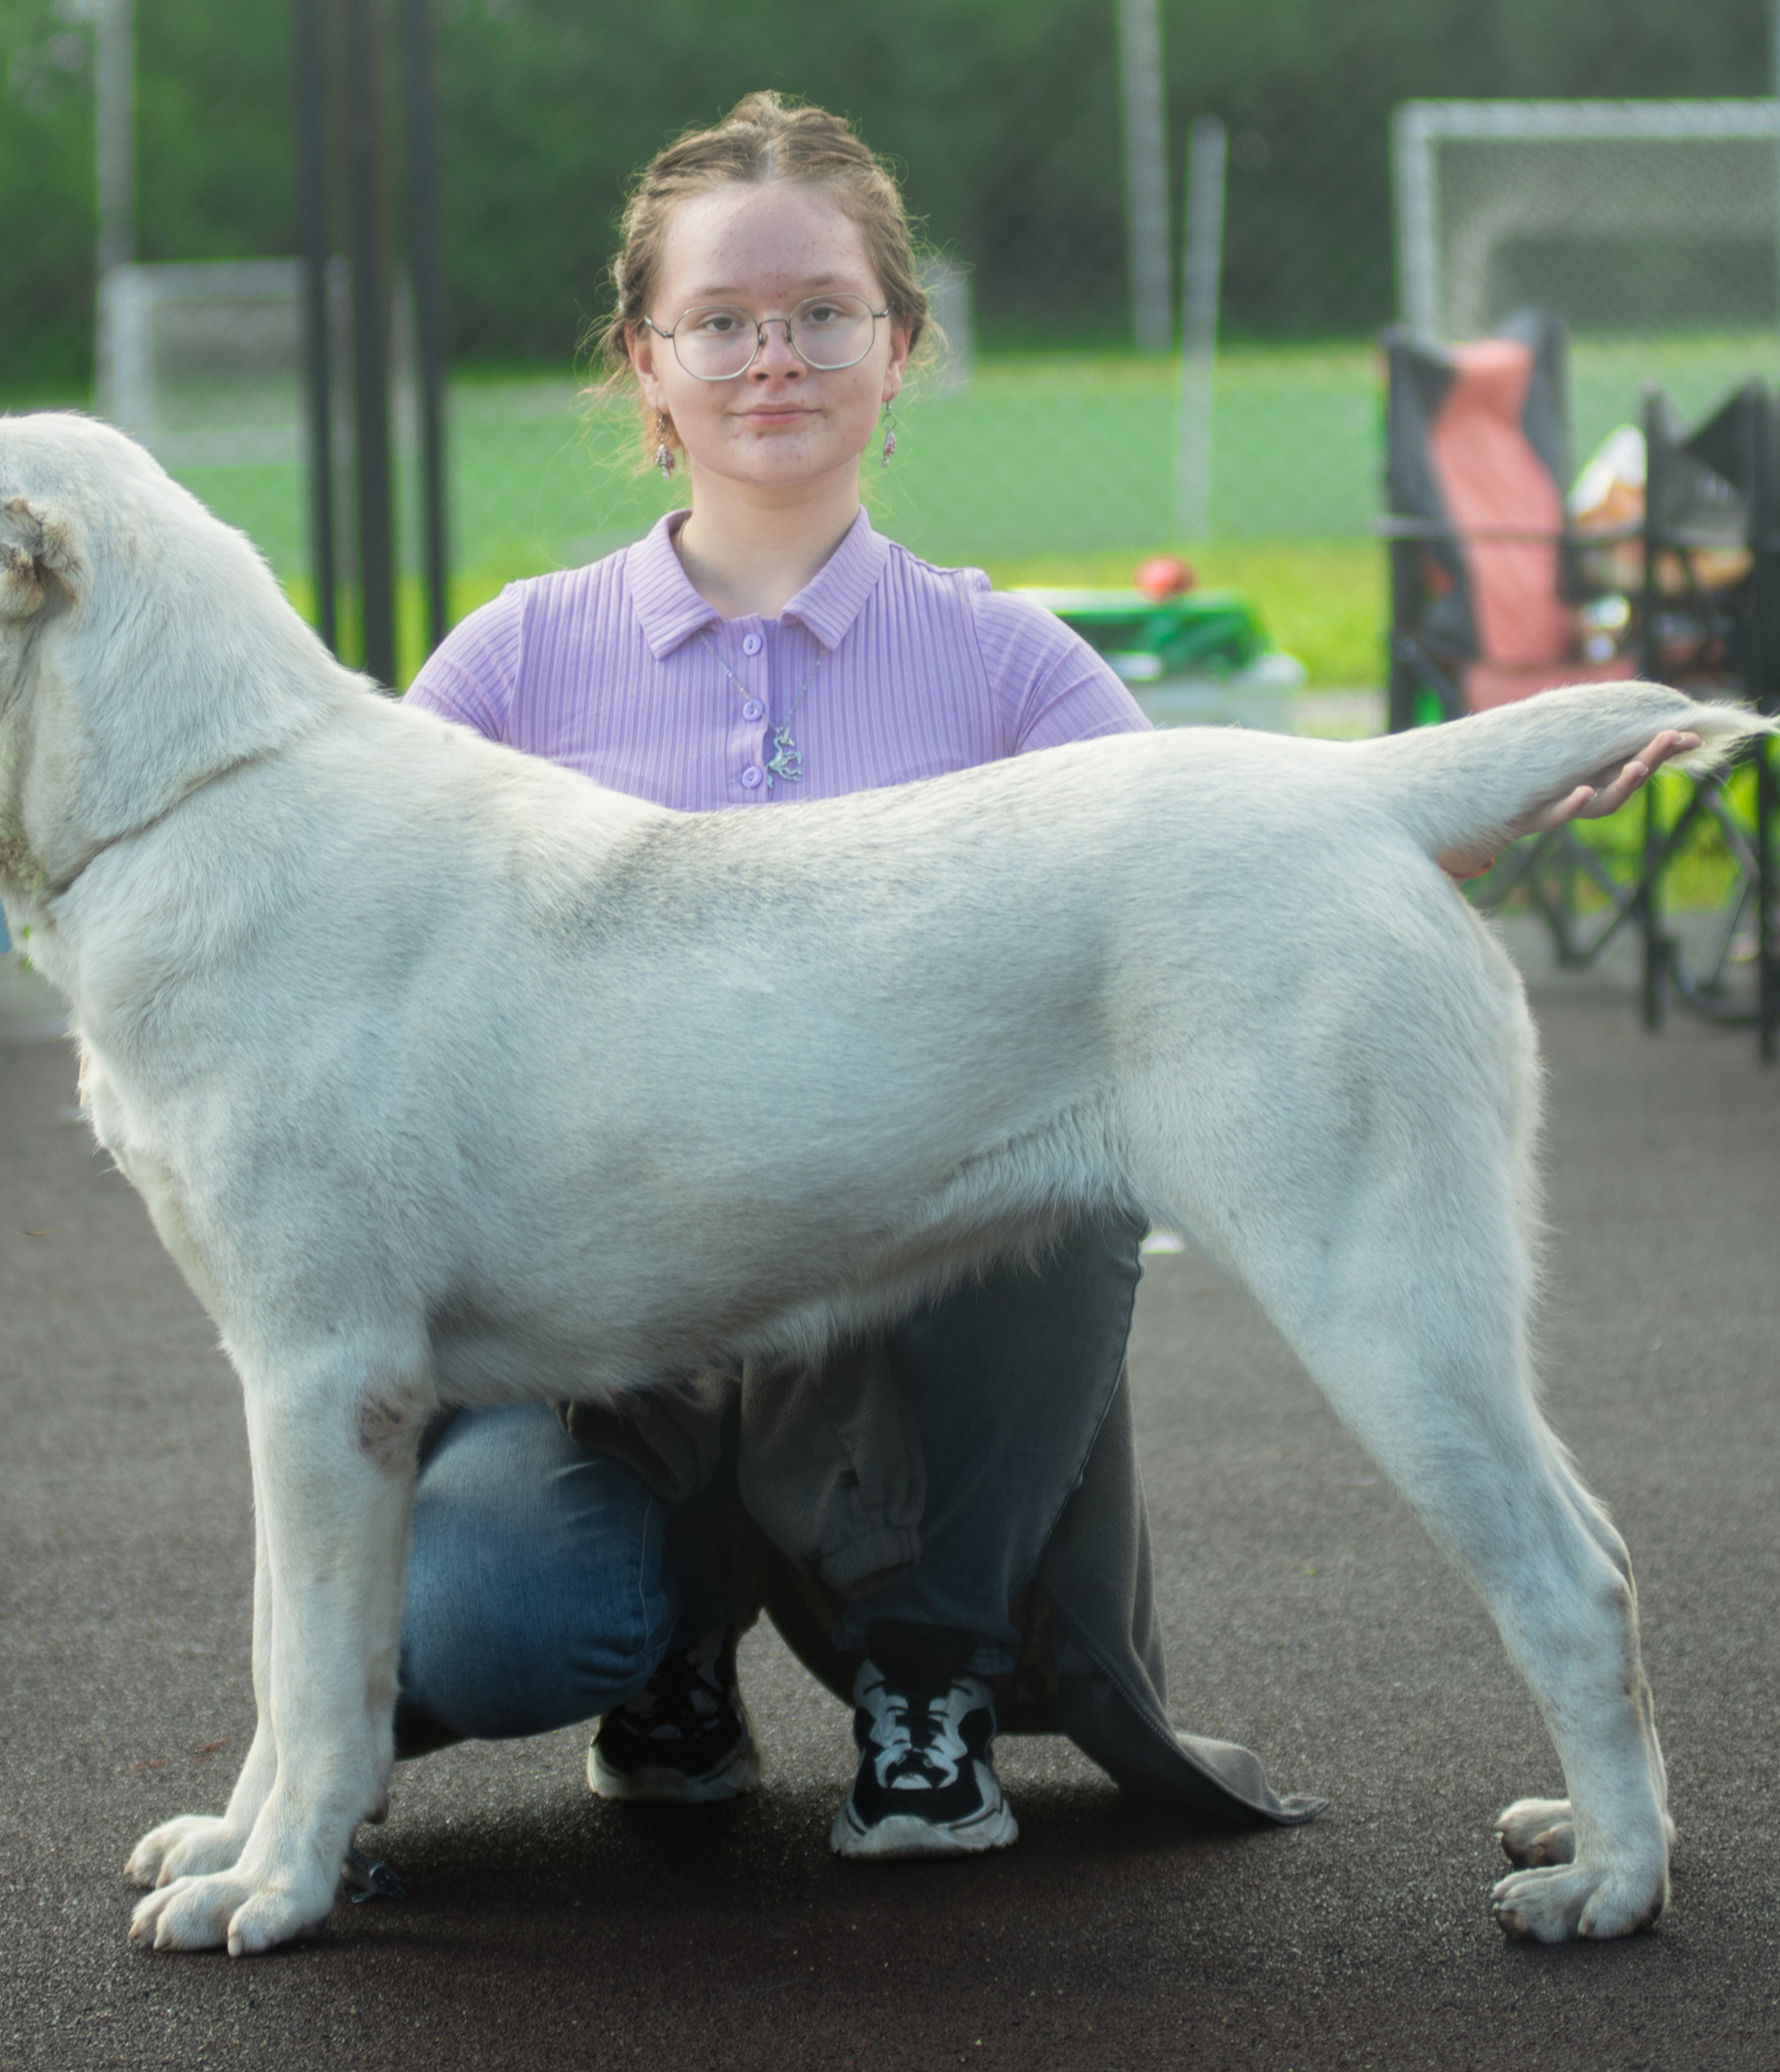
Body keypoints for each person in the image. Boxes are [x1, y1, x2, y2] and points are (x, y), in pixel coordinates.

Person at [390, 91, 1692, 1862]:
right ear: (645, 358)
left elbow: (1194, 900)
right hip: (594, 1344)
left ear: (899, 345)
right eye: (719, 320)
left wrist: (1434, 832)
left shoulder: (1008, 662)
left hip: (897, 1359)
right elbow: (369, 994)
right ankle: (663, 1655)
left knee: (1073, 1127)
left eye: (823, 311)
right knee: (492, 1623)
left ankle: (926, 1675)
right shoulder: (505, 666)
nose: (772, 354)